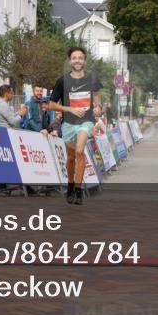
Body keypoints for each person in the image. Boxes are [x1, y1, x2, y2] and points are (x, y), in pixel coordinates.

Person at [49, 46, 102, 205]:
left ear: (84, 61)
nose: (77, 60)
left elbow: (97, 94)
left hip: (86, 121)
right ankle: (71, 186)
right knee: (71, 157)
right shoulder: (63, 81)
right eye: (74, 58)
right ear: (70, 61)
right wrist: (70, 108)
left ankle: (78, 191)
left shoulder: (92, 78)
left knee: (79, 152)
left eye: (80, 58)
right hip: (69, 124)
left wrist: (98, 106)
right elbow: (51, 105)